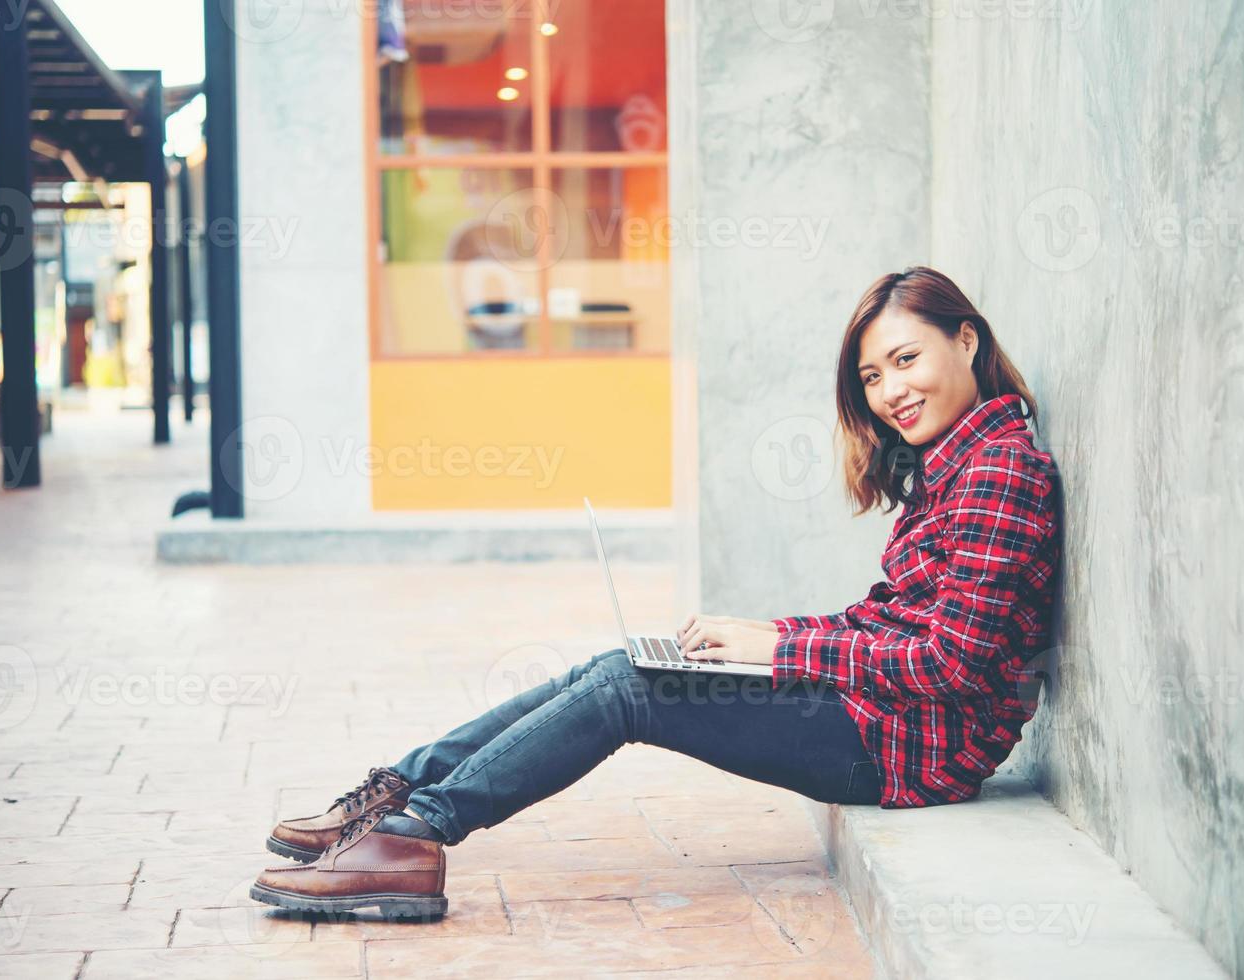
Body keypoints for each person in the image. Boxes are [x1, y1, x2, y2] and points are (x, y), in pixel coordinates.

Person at [249, 266, 1063, 921]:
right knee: (619, 665)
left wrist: (779, 652)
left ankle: (413, 834)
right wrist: (763, 633)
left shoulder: (997, 471)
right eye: (873, 376)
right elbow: (892, 622)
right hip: (877, 714)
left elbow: (951, 663)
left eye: (906, 361)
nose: (890, 392)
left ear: (966, 338)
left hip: (901, 748)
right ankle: (398, 790)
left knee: (624, 689)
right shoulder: (957, 463)